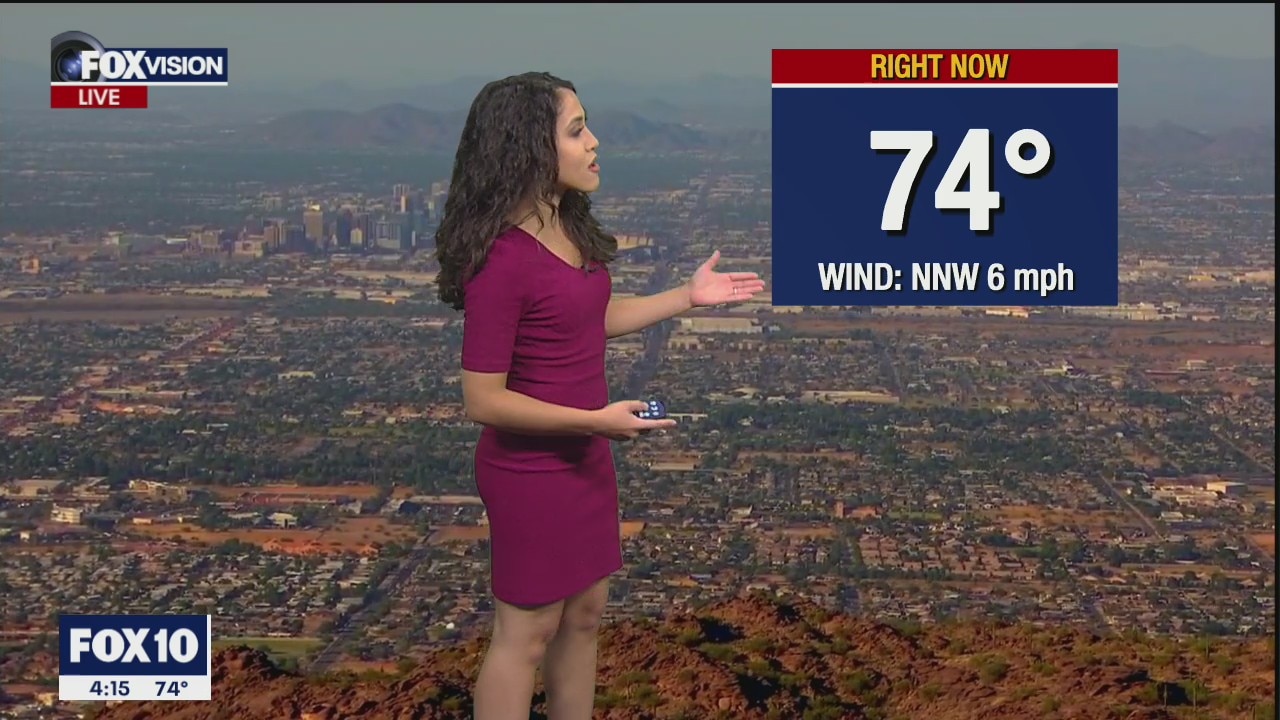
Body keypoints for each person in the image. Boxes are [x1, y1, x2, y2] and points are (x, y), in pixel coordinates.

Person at [433, 71, 765, 720]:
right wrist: (592, 420)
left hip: (587, 458)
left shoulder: (568, 229)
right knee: (525, 635)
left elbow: (588, 320)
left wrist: (686, 297)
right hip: (529, 471)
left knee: (585, 616)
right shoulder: (501, 261)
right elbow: (482, 400)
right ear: (530, 146)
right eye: (577, 130)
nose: (595, 143)